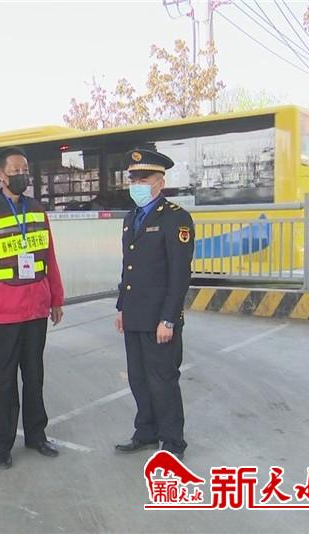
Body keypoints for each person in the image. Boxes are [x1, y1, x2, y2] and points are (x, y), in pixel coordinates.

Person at [0, 146, 65, 469]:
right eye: (16, 170)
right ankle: (2, 444)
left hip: (36, 307)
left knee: (35, 376)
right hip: (3, 312)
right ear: (0, 175)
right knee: (4, 381)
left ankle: (36, 435)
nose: (22, 175)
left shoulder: (37, 210)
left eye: (25, 170)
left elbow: (49, 258)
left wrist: (56, 298)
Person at [114, 147, 195, 460]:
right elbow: (128, 267)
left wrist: (169, 319)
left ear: (160, 182)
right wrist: (121, 307)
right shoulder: (131, 218)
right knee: (138, 378)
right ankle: (146, 431)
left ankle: (173, 442)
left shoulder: (176, 218)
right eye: (133, 179)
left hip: (160, 318)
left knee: (163, 381)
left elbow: (179, 274)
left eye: (143, 179)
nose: (136, 184)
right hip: (135, 314)